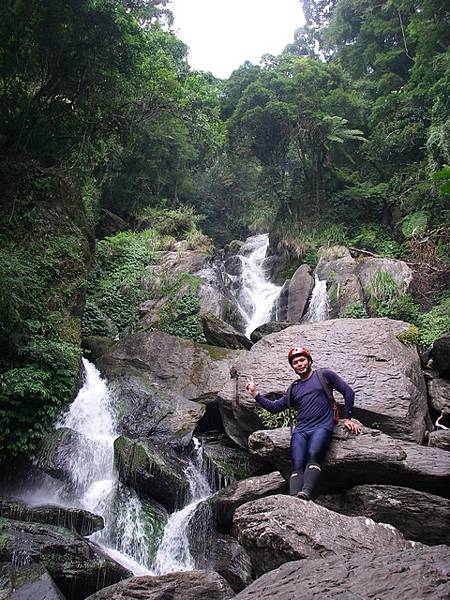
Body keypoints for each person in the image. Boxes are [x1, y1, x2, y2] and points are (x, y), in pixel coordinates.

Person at [243, 346, 361, 500]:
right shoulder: (294, 388)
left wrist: (348, 418)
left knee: (313, 454)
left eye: (302, 360)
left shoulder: (323, 375)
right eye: (295, 362)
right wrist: (255, 394)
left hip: (322, 426)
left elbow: (348, 392)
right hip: (301, 430)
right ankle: (293, 498)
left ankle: (306, 492)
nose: (299, 364)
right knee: (297, 463)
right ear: (292, 367)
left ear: (309, 361)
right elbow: (275, 407)